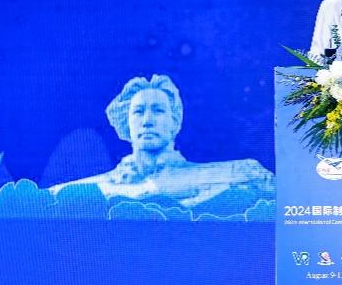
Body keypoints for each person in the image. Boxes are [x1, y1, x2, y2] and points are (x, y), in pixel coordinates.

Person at [50, 74, 274, 207]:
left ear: (174, 121)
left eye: (158, 110)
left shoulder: (240, 172)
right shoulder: (83, 190)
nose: (147, 121)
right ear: (126, 122)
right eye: (139, 112)